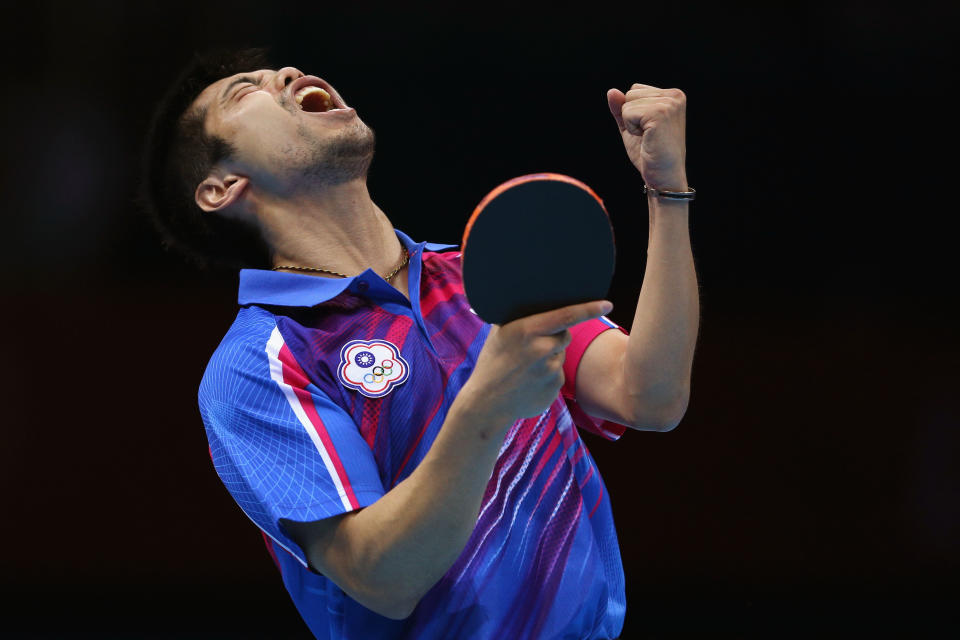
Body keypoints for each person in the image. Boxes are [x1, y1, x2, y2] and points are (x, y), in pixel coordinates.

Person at [141, 48, 699, 639]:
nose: (281, 75)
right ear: (222, 186)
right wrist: (484, 408)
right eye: (244, 91)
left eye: (276, 70)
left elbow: (650, 395)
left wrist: (667, 194)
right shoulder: (259, 363)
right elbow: (382, 579)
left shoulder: (479, 274)